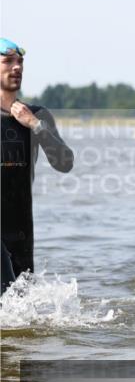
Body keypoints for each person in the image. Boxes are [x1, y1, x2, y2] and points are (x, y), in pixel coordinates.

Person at [1, 38, 74, 294]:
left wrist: (34, 125)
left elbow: (65, 163)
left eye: (20, 62)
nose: (16, 67)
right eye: (8, 61)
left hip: (21, 232)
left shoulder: (37, 115)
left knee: (18, 314)